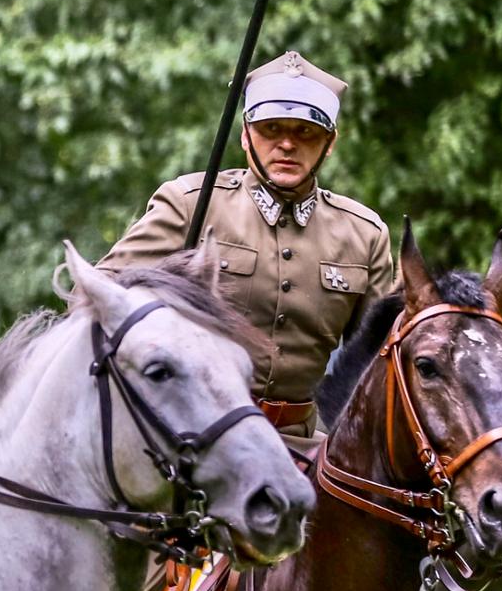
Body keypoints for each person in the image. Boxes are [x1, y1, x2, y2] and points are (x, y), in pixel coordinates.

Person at [99, 51, 395, 447]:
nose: (287, 144)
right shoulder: (191, 204)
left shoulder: (365, 234)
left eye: (306, 131)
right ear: (244, 135)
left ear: (330, 143)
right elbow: (102, 295)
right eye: (271, 129)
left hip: (307, 450)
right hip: (193, 439)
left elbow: (380, 360)